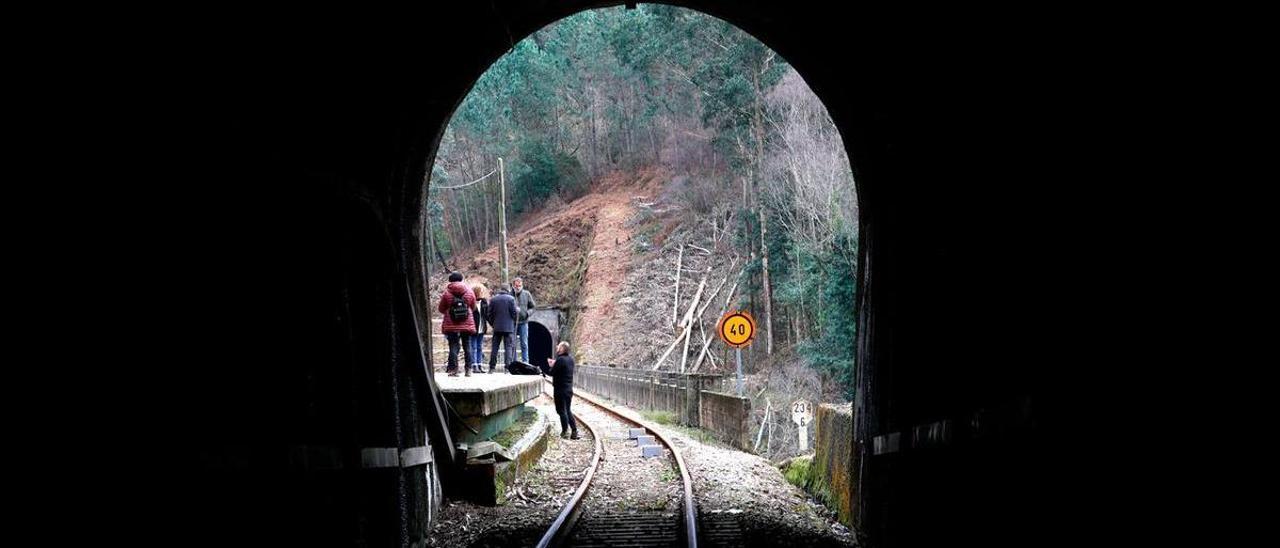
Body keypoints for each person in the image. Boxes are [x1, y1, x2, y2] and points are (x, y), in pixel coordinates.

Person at [437, 272, 476, 377]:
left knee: (453, 346)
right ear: (461, 279)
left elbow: (441, 308)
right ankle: (468, 370)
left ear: (450, 280)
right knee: (467, 345)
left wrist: (449, 311)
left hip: (451, 324)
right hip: (466, 323)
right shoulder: (469, 291)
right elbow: (473, 306)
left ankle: (453, 370)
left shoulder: (446, 293)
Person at [539, 341, 578, 439]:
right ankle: (574, 431)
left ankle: (565, 431)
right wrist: (555, 363)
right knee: (567, 410)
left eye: (559, 346)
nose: (557, 347)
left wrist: (552, 365)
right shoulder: (571, 360)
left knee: (561, 411)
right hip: (569, 389)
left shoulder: (560, 360)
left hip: (560, 389)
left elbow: (551, 372)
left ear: (562, 349)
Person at [485, 283, 519, 374]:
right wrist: (513, 321)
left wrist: (493, 324)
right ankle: (507, 368)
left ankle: (492, 368)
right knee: (508, 348)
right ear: (508, 289)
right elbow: (514, 313)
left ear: (501, 289)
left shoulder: (493, 299)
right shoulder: (511, 299)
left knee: (495, 347)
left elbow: (489, 314)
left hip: (497, 327)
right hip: (508, 328)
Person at [512, 277, 537, 363]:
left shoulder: (527, 294)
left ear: (522, 285)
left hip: (524, 322)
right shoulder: (510, 294)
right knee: (512, 344)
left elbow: (533, 307)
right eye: (516, 285)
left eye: (519, 285)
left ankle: (525, 362)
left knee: (524, 343)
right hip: (513, 323)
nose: (518, 287)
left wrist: (527, 313)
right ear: (513, 285)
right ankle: (513, 362)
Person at [470, 283, 490, 374]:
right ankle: (474, 365)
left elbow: (487, 315)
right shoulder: (470, 302)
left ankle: (479, 365)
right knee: (473, 347)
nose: (482, 292)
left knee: (479, 347)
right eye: (481, 291)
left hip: (481, 328)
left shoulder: (484, 302)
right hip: (473, 329)